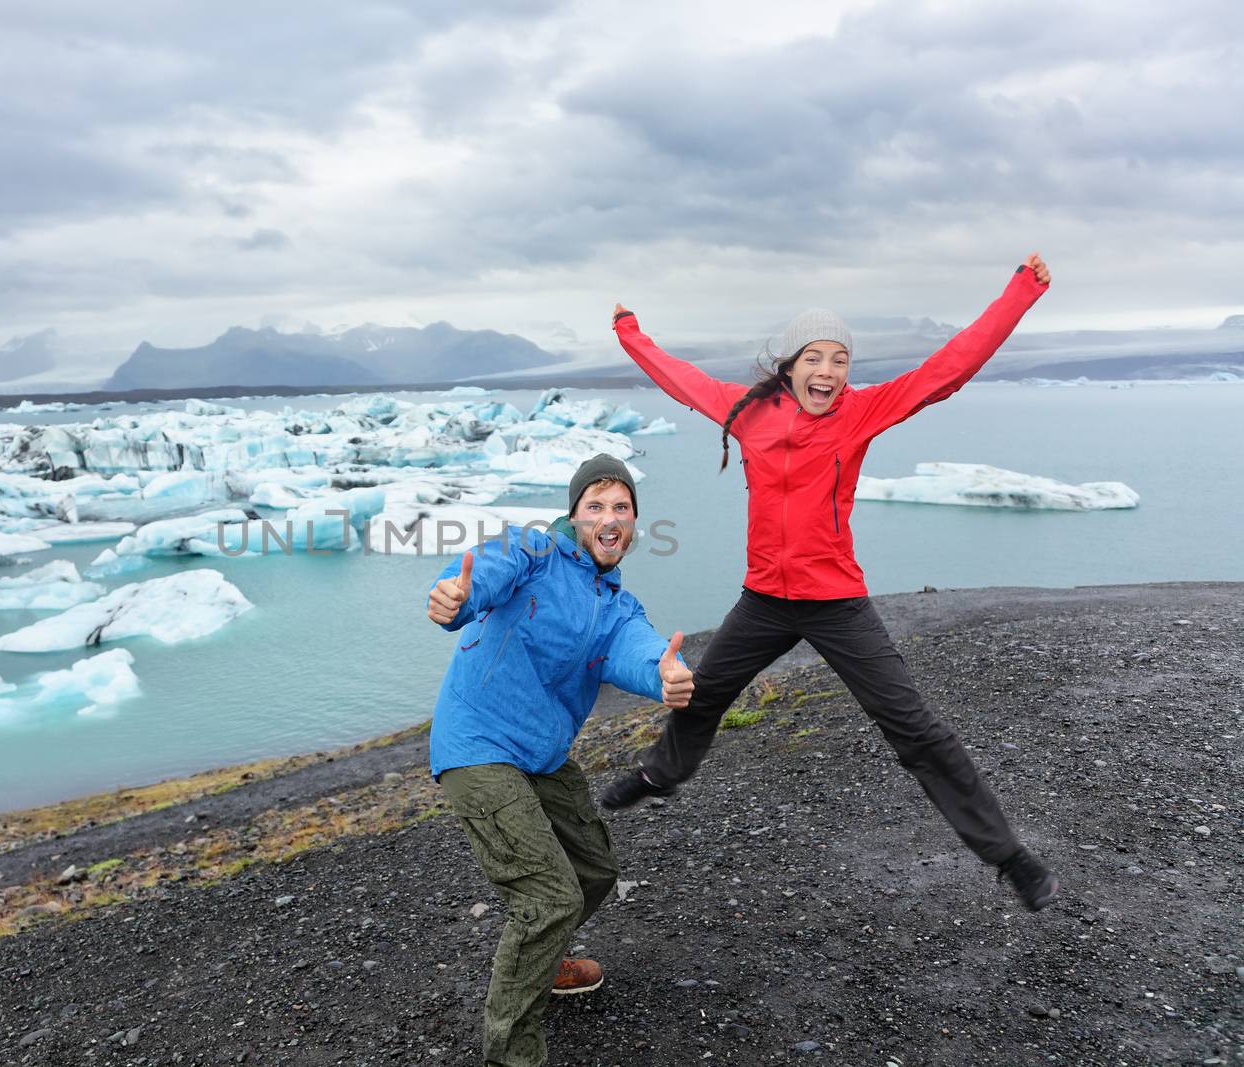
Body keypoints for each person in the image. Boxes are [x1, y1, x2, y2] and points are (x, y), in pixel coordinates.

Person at [602, 255, 1060, 912]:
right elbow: (680, 380)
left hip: (836, 603)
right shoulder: (749, 411)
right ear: (790, 365)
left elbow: (948, 368)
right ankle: (661, 773)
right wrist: (630, 333)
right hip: (763, 600)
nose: (827, 370)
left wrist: (1022, 290)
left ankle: (1010, 856)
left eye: (839, 359)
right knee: (700, 694)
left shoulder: (860, 412)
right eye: (814, 357)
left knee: (915, 729)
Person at [428, 454, 695, 1067]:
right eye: (595, 506)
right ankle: (512, 1055)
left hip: (541, 755)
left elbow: (638, 650)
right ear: (574, 516)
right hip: (478, 746)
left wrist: (667, 675)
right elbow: (486, 571)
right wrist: (457, 594)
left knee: (594, 873)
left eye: (621, 508)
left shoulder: (615, 605)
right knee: (550, 900)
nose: (609, 517)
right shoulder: (535, 551)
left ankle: (541, 964)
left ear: (632, 524)